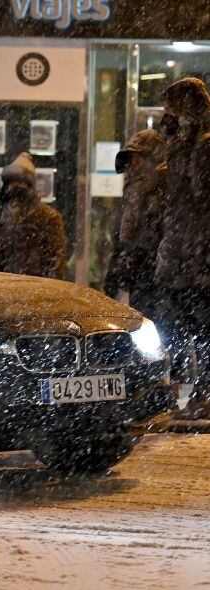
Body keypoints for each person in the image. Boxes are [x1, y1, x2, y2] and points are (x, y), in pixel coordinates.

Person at [154, 77, 210, 417]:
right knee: (176, 329)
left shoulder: (203, 145)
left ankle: (203, 393)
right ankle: (178, 392)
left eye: (171, 109)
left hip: (199, 256)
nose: (166, 116)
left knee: (202, 331)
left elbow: (201, 196)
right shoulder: (181, 144)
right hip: (177, 254)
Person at [104, 129, 167, 320]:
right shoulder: (133, 192)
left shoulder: (165, 187)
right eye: (131, 160)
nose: (133, 166)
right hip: (141, 272)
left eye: (137, 158)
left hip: (156, 273)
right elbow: (123, 232)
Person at [0, 152, 67, 279]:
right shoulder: (4, 217)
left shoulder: (49, 217)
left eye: (20, 182)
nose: (14, 187)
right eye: (11, 182)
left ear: (30, 186)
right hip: (8, 287)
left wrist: (49, 290)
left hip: (38, 289)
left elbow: (57, 261)